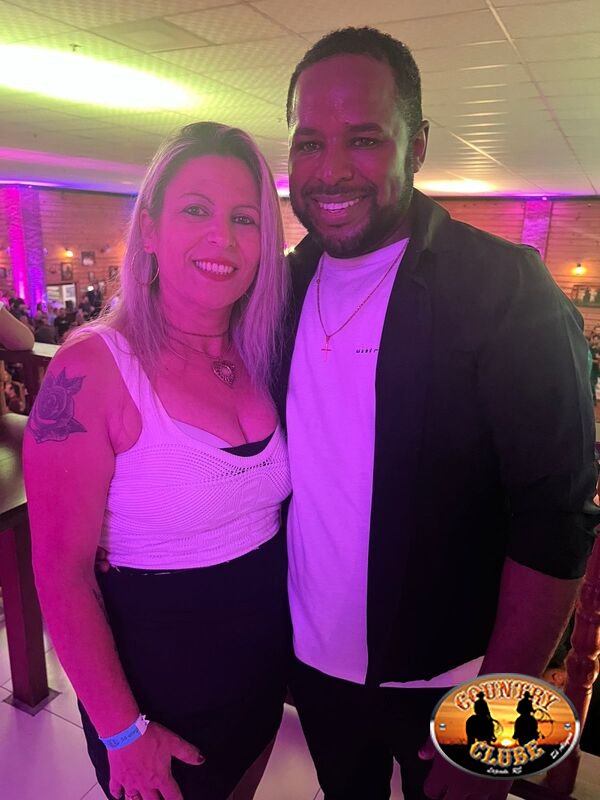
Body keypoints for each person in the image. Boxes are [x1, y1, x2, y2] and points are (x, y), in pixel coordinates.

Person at [274, 26, 599, 800]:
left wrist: (500, 725)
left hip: (456, 681)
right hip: (313, 669)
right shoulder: (280, 290)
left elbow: (556, 519)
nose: (331, 169)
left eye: (363, 139)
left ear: (416, 146)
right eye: (309, 142)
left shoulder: (506, 290)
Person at [23, 121, 291, 800]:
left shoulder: (260, 354)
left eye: (245, 218)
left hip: (259, 677)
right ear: (149, 228)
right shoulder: (93, 368)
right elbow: (59, 572)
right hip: (155, 700)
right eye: (196, 210)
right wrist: (122, 733)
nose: (222, 238)